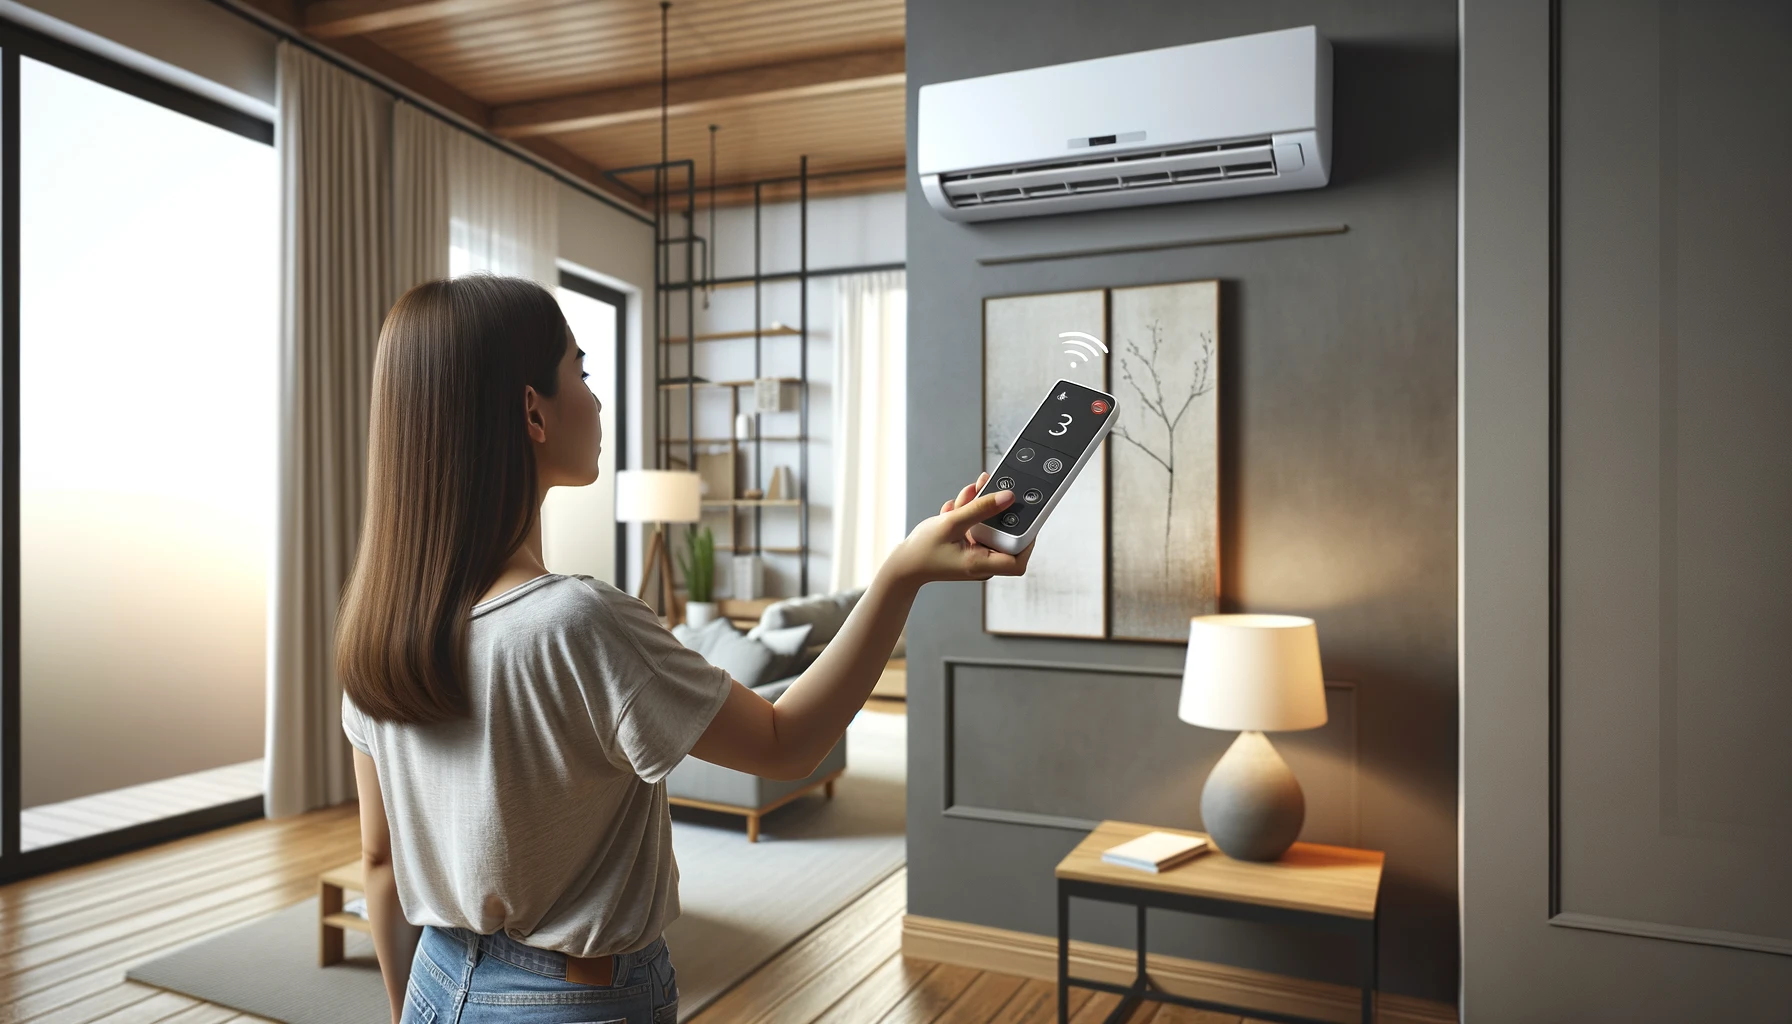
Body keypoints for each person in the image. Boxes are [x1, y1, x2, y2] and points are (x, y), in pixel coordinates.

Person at [335, 275, 1029, 1024]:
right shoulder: (577, 623)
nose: (596, 400)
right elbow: (787, 742)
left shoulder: (381, 629)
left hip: (435, 984)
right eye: (582, 371)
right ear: (533, 410)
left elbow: (381, 864)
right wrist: (898, 576)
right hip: (570, 1000)